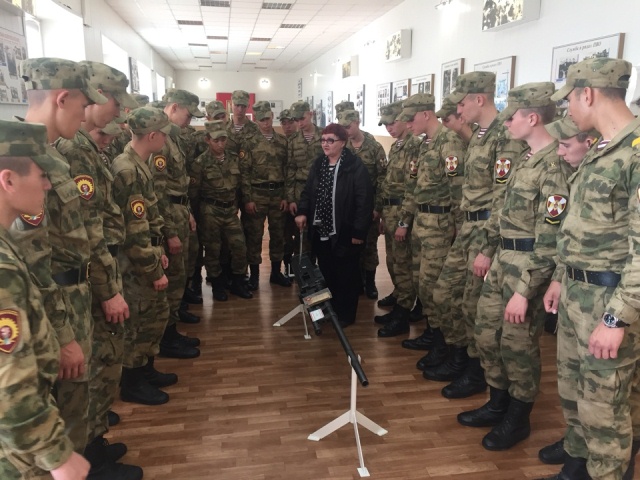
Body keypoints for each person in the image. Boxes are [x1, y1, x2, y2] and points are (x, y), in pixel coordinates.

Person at [539, 57, 640, 480]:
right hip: (576, 295)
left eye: (569, 101)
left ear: (589, 93)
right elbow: (578, 228)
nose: (567, 109)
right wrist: (560, 278)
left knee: (604, 411)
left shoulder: (635, 154)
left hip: (609, 302)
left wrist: (617, 318)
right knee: (573, 393)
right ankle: (577, 467)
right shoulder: (601, 149)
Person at [457, 82, 571, 453]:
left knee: (517, 345)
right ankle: (498, 402)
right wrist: (487, 249)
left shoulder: (554, 166)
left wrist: (525, 290)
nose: (506, 124)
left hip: (528, 267)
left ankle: (518, 417)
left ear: (532, 118)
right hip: (502, 259)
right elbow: (501, 211)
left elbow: (550, 238)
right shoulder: (524, 158)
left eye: (512, 118)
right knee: (487, 333)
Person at [14, 57, 106, 457]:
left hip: (75, 295)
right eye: (83, 105)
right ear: (62, 98)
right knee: (64, 402)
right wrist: (64, 336)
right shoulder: (22, 160)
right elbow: (32, 262)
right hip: (54, 308)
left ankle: (87, 456)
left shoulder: (52, 154)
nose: (86, 116)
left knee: (78, 396)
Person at [55, 60, 143, 480]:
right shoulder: (72, 150)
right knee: (86, 374)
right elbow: (84, 230)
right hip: (82, 279)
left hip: (94, 271)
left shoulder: (85, 147)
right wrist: (107, 289)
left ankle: (93, 445)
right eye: (115, 102)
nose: (119, 112)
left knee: (98, 365)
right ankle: (88, 459)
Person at [0, 120, 90, 480]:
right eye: (41, 176)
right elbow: (11, 381)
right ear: (8, 180)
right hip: (19, 455)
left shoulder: (7, 245)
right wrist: (57, 456)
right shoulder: (3, 269)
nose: (49, 185)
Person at [428, 72, 527, 399]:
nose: (457, 110)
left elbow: (503, 197)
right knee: (444, 293)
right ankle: (459, 355)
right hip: (468, 228)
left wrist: (487, 246)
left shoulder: (504, 137)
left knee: (473, 306)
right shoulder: (480, 136)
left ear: (479, 99)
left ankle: (475, 371)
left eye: (461, 103)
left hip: (486, 232)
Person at [535, 114, 599, 468]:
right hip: (575, 287)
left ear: (589, 142)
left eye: (565, 144)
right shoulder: (579, 175)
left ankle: (586, 458)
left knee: (599, 393)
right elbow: (569, 237)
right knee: (570, 380)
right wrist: (559, 277)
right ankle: (576, 444)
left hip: (604, 297)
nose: (559, 152)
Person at [111, 106, 179, 407]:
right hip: (135, 265)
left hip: (147, 254)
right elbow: (134, 231)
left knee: (154, 316)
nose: (166, 140)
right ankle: (133, 382)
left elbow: (148, 219)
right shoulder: (127, 170)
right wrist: (153, 269)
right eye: (164, 134)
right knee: (138, 321)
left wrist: (158, 251)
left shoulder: (139, 163)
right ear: (152, 136)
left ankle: (146, 369)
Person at [388, 94, 461, 343]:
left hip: (440, 225)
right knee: (420, 281)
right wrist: (404, 221)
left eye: (411, 119)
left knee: (433, 285)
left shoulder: (448, 141)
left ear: (426, 114)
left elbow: (458, 189)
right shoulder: (423, 144)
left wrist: (459, 227)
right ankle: (431, 331)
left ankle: (440, 339)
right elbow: (413, 188)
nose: (408, 124)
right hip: (421, 221)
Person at [294, 123, 373, 327]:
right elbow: (308, 192)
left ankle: (346, 314)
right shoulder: (319, 164)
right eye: (323, 140)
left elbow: (364, 200)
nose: (325, 144)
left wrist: (358, 231)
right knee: (327, 271)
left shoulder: (354, 166)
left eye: (331, 140)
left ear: (343, 143)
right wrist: (302, 212)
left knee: (346, 275)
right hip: (321, 229)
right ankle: (330, 310)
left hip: (345, 230)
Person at [153, 89, 203, 359]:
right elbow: (158, 192)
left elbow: (177, 184)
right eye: (188, 115)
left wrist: (188, 211)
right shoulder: (159, 140)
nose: (189, 121)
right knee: (171, 277)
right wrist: (169, 231)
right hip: (169, 215)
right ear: (173, 108)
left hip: (179, 210)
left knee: (180, 274)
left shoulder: (172, 137)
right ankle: (166, 337)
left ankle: (172, 327)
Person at [188, 120, 253, 301]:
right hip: (210, 212)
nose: (220, 144)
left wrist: (246, 200)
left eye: (223, 140)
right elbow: (193, 193)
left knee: (240, 247)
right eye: (216, 140)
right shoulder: (200, 163)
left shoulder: (234, 158)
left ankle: (238, 282)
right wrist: (195, 215)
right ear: (207, 140)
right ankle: (217, 286)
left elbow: (242, 183)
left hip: (230, 211)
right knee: (213, 250)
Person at [374, 101, 420, 325]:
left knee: (403, 263)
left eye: (392, 123)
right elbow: (388, 184)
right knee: (392, 261)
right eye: (385, 125)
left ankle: (404, 308)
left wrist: (404, 221)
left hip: (403, 212)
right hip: (391, 211)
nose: (389, 128)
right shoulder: (396, 146)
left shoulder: (414, 146)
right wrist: (384, 214)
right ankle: (399, 295)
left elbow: (413, 187)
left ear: (403, 119)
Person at [240, 101, 291, 289]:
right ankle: (254, 276)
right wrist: (248, 199)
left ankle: (276, 272)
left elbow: (287, 171)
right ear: (256, 120)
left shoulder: (282, 142)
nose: (266, 123)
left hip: (278, 194)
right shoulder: (249, 142)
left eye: (268, 119)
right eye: (261, 120)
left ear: (272, 117)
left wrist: (286, 196)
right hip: (257, 194)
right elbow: (244, 173)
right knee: (254, 235)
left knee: (278, 235)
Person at [338, 109, 387, 300]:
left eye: (348, 126)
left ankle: (370, 282)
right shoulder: (342, 147)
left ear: (357, 122)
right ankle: (356, 281)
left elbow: (383, 179)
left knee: (369, 245)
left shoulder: (374, 147)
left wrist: (377, 207)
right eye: (342, 127)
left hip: (369, 204)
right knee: (351, 245)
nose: (345, 130)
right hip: (348, 206)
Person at [285, 101, 323, 261]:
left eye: (302, 118)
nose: (299, 123)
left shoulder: (325, 136)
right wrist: (291, 199)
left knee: (322, 234)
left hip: (322, 191)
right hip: (300, 192)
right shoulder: (293, 140)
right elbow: (290, 169)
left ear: (310, 114)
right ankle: (304, 270)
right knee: (301, 235)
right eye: (296, 120)